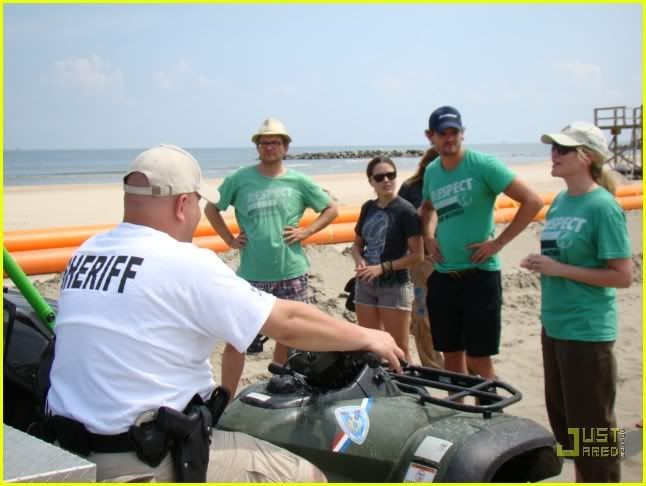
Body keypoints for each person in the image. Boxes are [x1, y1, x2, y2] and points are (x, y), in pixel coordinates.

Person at [46, 144, 403, 482]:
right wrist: (369, 335)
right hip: (147, 458)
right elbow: (287, 323)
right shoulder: (182, 261)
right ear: (182, 204)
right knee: (308, 476)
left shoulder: (86, 252)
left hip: (68, 449)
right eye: (199, 204)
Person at [521, 122, 632, 482]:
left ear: (586, 157)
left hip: (587, 331)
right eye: (552, 147)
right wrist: (544, 266)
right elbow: (562, 261)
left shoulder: (602, 206)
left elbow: (622, 276)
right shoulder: (562, 203)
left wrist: (559, 268)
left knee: (594, 435)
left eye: (562, 149)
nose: (553, 154)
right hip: (554, 325)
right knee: (568, 432)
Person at [204, 118, 339, 396]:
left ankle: (279, 388)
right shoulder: (239, 179)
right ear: (257, 146)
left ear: (285, 147)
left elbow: (331, 210)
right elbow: (211, 209)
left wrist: (307, 231)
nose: (269, 147)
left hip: (292, 272)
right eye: (264, 142)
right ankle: (225, 398)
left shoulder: (298, 181)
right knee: (237, 339)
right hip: (252, 274)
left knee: (288, 338)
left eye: (276, 142)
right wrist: (229, 239)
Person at [420, 106, 543, 379]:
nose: (449, 138)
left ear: (463, 134)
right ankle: (459, 412)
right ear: (431, 136)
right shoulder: (432, 171)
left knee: (479, 358)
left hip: (480, 275)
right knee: (451, 355)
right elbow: (427, 208)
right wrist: (429, 237)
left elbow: (532, 201)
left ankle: (488, 412)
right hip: (442, 275)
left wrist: (498, 243)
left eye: (454, 132)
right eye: (442, 133)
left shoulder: (483, 165)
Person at [351, 156, 423, 363]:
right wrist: (358, 259)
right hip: (365, 284)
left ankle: (408, 390)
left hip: (394, 286)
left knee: (399, 350)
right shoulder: (368, 207)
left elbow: (417, 256)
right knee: (370, 346)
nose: (386, 181)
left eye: (391, 175)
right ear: (371, 181)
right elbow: (356, 245)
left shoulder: (406, 210)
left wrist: (383, 268)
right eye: (379, 177)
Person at [398, 148, 444, 369]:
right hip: (422, 260)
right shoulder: (411, 187)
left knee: (452, 315)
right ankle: (432, 366)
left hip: (454, 257)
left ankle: (466, 366)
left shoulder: (456, 184)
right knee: (423, 314)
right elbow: (397, 218)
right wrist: (417, 215)